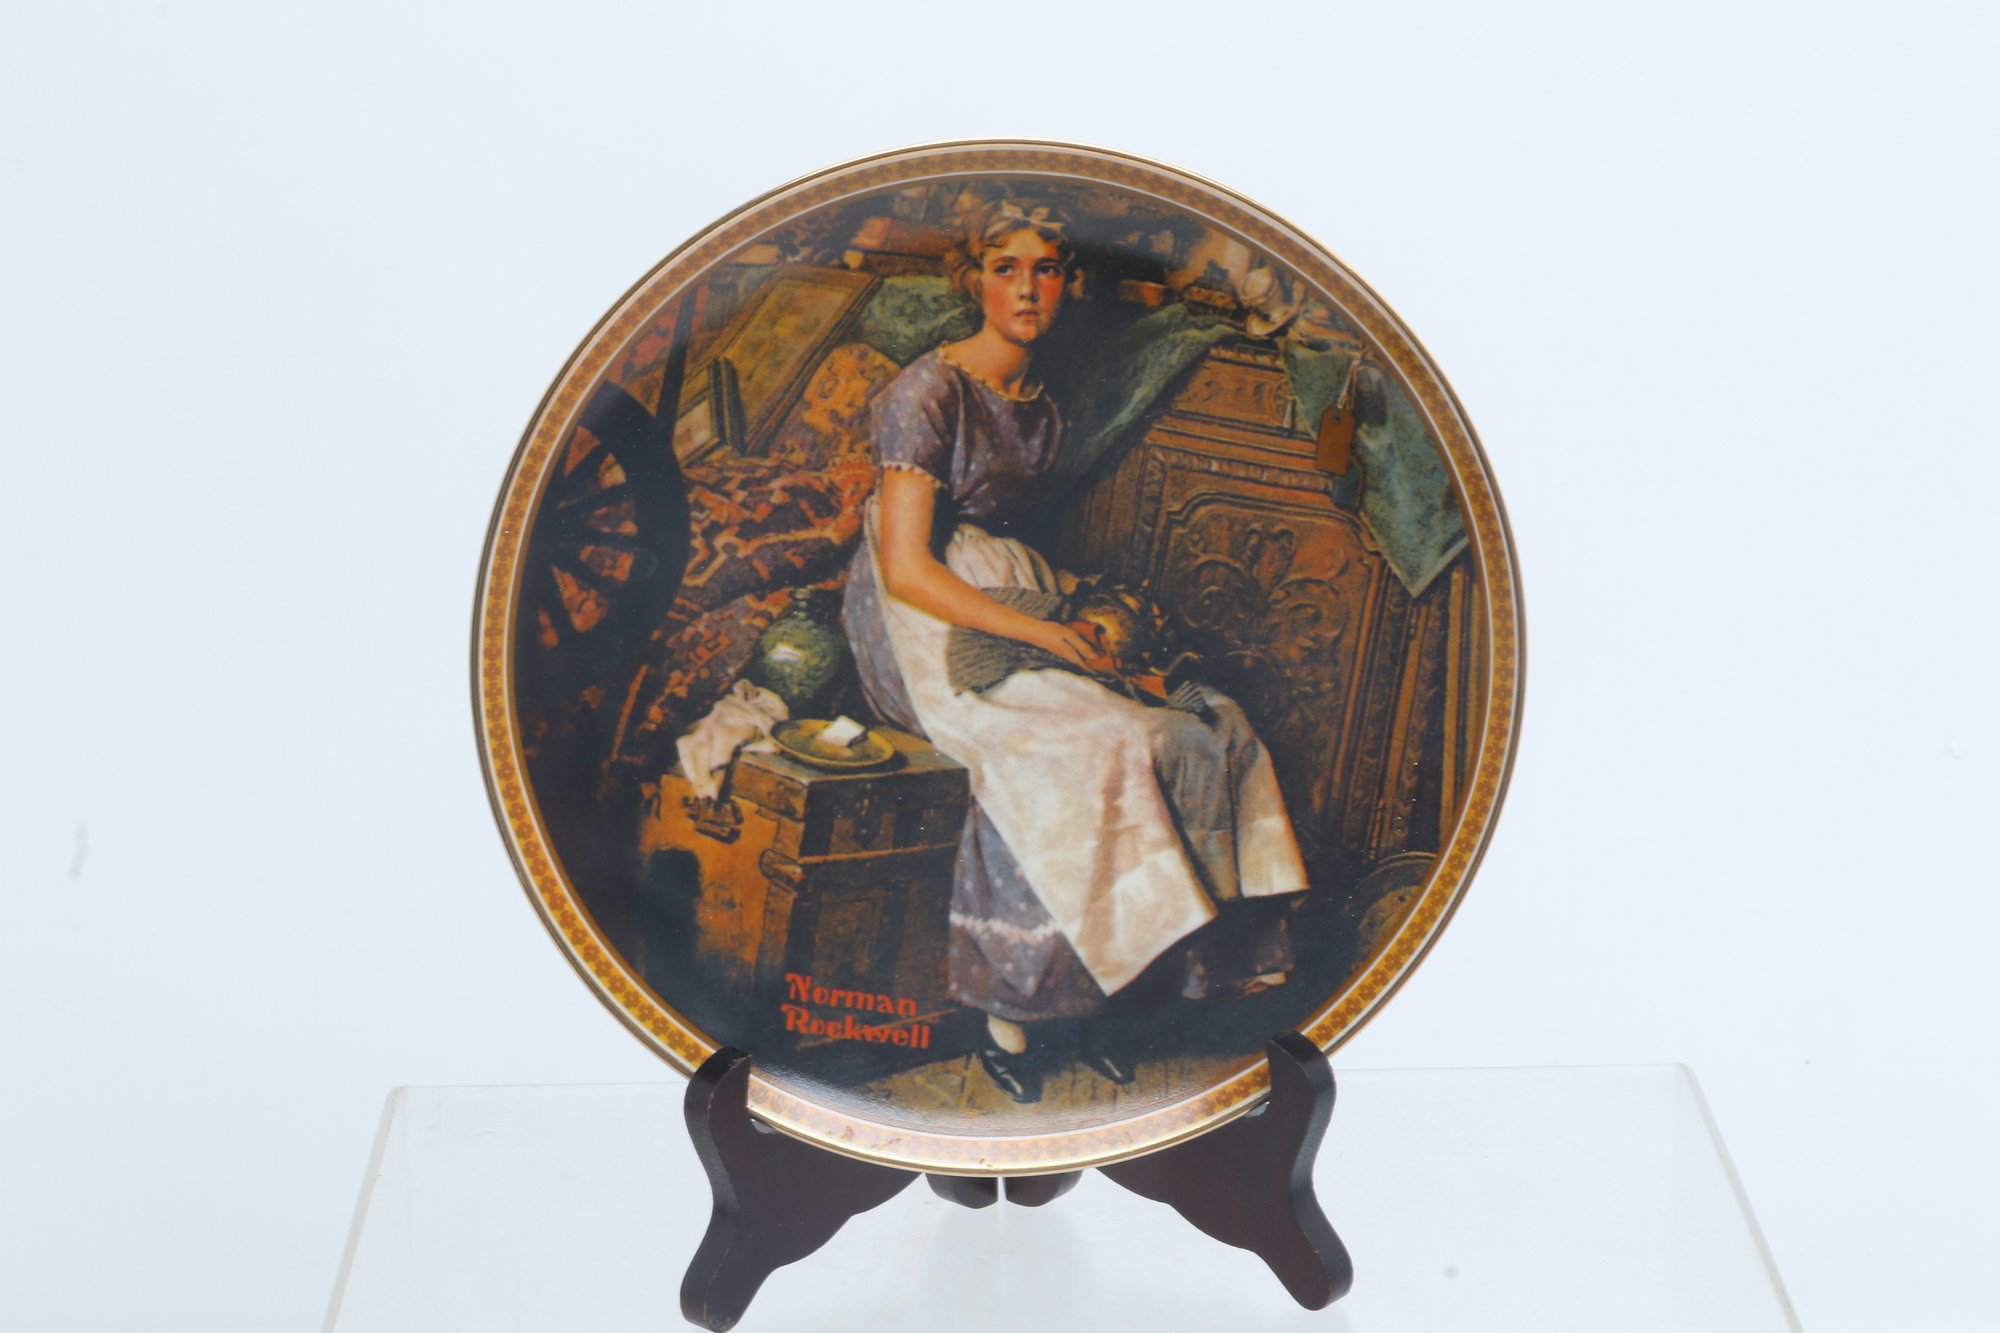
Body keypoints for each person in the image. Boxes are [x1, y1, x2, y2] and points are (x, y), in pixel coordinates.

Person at [842, 199, 1310, 1102]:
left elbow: (1010, 548)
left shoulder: (1042, 404)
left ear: (1068, 282)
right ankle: (1013, 1022)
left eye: (1046, 269)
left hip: (1008, 590)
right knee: (1083, 743)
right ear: (973, 281)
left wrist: (1082, 616)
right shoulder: (929, 391)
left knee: (1197, 727)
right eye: (1006, 268)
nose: (1027, 289)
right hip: (923, 622)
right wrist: (1042, 631)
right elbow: (904, 566)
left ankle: (1108, 999)